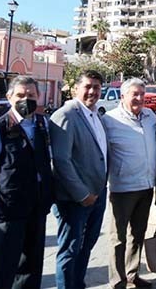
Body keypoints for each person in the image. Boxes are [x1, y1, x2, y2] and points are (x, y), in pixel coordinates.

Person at [0, 76, 54, 289]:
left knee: (31, 268)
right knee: (2, 268)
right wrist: (2, 202)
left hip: (37, 209)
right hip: (9, 213)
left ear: (39, 96)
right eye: (20, 95)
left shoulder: (43, 124)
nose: (26, 100)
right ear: (9, 97)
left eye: (31, 95)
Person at [49, 70, 109, 289]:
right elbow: (61, 160)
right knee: (70, 250)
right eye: (88, 86)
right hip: (75, 199)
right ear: (75, 89)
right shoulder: (66, 115)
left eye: (97, 87)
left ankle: (78, 284)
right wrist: (82, 195)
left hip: (97, 194)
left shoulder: (95, 115)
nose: (92, 91)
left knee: (86, 246)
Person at [104, 78, 156, 288]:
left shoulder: (150, 116)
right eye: (134, 94)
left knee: (138, 234)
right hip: (122, 188)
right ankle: (117, 281)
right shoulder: (110, 120)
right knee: (118, 238)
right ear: (123, 95)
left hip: (146, 186)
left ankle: (132, 274)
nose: (139, 98)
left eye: (142, 94)